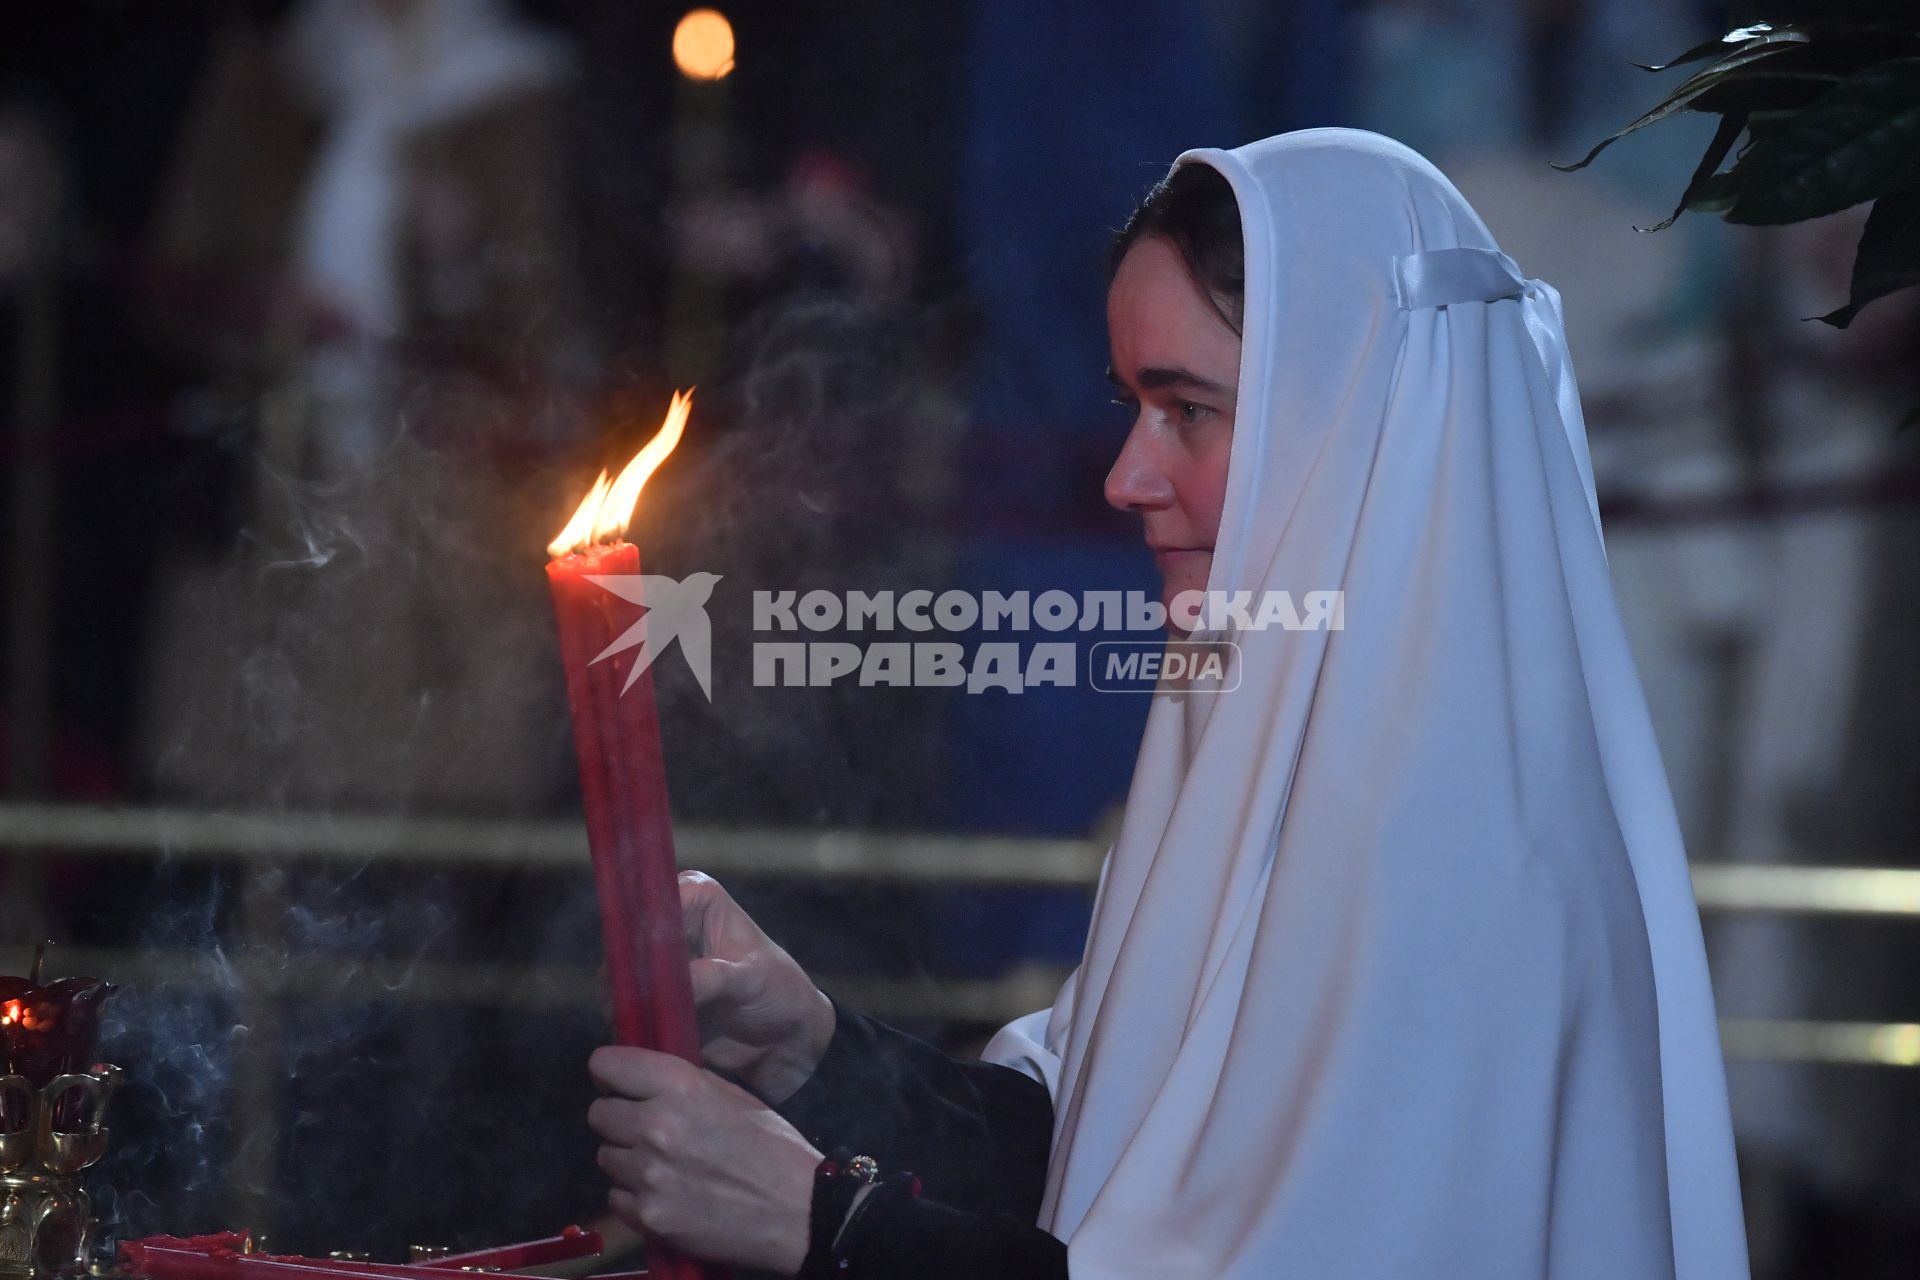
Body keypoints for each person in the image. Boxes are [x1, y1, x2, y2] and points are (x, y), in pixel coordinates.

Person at [584, 129, 1752, 1278]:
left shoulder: (1471, 847)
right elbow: (1111, 1159)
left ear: (1356, 426)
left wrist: (821, 1219)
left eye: (1186, 407)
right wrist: (816, 1051)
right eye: (1134, 403)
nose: (1125, 476)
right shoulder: (1258, 716)